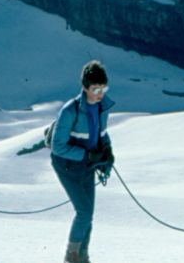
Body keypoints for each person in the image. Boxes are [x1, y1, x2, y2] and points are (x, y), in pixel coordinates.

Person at [51, 60, 115, 263]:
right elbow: (57, 146)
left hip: (87, 165)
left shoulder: (101, 108)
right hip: (67, 166)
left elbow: (102, 135)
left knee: (88, 214)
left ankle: (83, 256)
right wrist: (87, 156)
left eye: (104, 88)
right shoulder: (70, 111)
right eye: (96, 89)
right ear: (85, 87)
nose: (100, 93)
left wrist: (108, 152)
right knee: (84, 211)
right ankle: (72, 257)